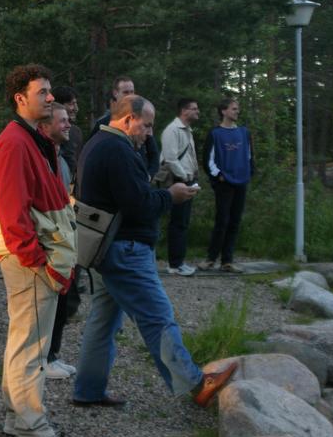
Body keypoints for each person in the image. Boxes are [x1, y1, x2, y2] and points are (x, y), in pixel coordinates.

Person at [72, 95, 237, 409]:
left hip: (105, 248)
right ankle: (195, 383)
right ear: (128, 119)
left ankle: (88, 390)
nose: (149, 133)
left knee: (102, 322)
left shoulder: (97, 143)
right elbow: (139, 204)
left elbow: (123, 195)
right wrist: (171, 195)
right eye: (146, 126)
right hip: (125, 250)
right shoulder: (117, 150)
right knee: (157, 317)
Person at [0, 64, 78, 437]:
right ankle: (34, 432)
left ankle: (16, 417)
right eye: (42, 92)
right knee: (32, 350)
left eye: (49, 91)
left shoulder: (34, 140)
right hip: (30, 261)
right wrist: (37, 261)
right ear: (20, 98)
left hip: (33, 257)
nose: (50, 97)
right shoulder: (13, 143)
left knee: (23, 342)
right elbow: (12, 213)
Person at [37, 102, 78, 380]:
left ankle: (52, 354)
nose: (68, 124)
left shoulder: (60, 156)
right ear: (46, 125)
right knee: (49, 304)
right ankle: (43, 359)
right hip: (50, 239)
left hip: (64, 236)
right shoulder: (40, 157)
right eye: (62, 120)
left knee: (63, 302)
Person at [198, 98, 254, 274]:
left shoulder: (244, 132)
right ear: (223, 111)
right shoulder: (215, 134)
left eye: (238, 109)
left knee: (235, 221)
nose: (237, 111)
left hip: (241, 182)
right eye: (234, 108)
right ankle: (210, 259)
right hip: (224, 184)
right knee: (222, 221)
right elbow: (208, 160)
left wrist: (248, 173)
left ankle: (227, 261)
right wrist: (219, 176)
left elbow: (249, 155)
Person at [159, 98, 201, 276]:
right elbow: (170, 159)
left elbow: (190, 156)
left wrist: (194, 175)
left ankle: (178, 262)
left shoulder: (187, 130)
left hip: (186, 179)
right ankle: (175, 264)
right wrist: (185, 177)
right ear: (184, 111)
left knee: (182, 222)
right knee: (178, 222)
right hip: (177, 180)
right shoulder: (172, 130)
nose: (198, 111)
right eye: (194, 108)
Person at [88, 76, 159, 176]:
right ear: (115, 93)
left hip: (139, 177)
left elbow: (153, 154)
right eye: (126, 92)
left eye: (132, 92)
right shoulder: (103, 123)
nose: (130, 96)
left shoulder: (142, 121)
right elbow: (91, 152)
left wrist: (148, 175)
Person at [50, 86, 82, 178]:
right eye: (71, 104)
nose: (76, 108)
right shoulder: (72, 131)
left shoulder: (74, 131)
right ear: (58, 105)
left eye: (76, 103)